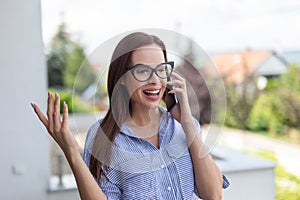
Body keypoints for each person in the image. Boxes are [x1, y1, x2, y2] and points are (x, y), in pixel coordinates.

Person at [32, 32, 229, 200]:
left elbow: (213, 194)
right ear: (123, 79)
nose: (155, 80)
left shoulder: (184, 128)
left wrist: (186, 121)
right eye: (142, 71)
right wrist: (72, 153)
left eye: (161, 70)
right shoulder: (104, 138)